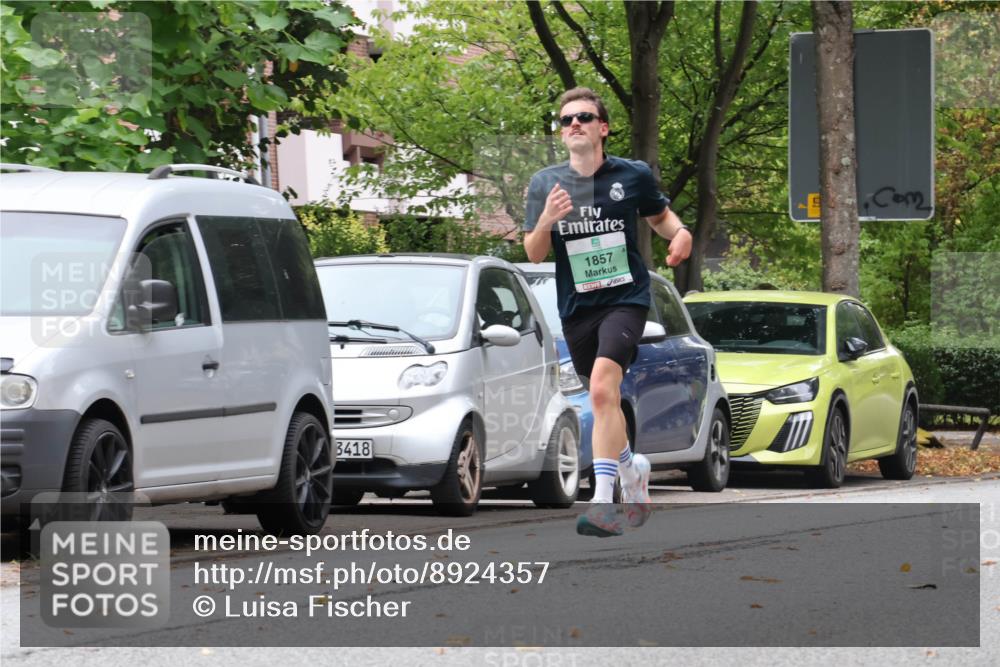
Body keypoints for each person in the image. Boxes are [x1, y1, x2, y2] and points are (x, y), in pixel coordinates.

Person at [523, 87, 693, 537]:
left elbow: (659, 217)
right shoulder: (545, 184)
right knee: (605, 403)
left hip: (625, 299)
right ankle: (632, 470)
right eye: (566, 120)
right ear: (561, 133)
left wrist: (681, 233)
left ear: (603, 128)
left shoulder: (631, 174)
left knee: (601, 389)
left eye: (583, 117)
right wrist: (547, 219)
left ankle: (603, 503)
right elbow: (534, 253)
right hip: (577, 308)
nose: (574, 124)